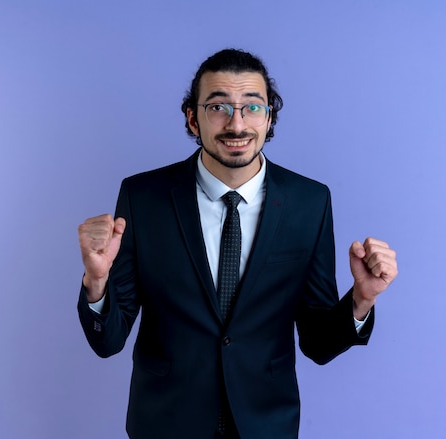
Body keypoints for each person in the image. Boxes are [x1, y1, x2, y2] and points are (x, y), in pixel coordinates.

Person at [77, 48, 398, 439]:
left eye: (252, 107)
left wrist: (360, 300)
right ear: (193, 119)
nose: (236, 123)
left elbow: (317, 343)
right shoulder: (142, 197)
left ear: (269, 118)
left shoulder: (309, 202)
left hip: (266, 424)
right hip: (165, 423)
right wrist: (96, 283)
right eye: (218, 107)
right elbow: (108, 341)